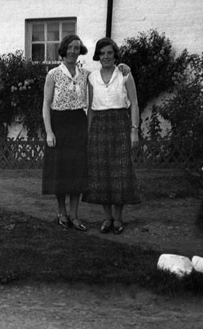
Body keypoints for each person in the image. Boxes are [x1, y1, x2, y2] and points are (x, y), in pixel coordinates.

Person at [83, 37, 142, 235]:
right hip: (99, 126)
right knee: (102, 172)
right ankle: (107, 218)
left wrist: (134, 130)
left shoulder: (125, 74)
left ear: (115, 54)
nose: (106, 56)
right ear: (98, 56)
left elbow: (134, 103)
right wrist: (89, 133)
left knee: (120, 171)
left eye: (110, 53)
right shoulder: (92, 78)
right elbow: (91, 108)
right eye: (102, 53)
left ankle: (118, 218)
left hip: (120, 124)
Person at [42, 34, 90, 231]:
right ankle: (61, 213)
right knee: (60, 171)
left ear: (80, 51)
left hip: (78, 123)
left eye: (77, 48)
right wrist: (49, 132)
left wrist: (123, 67)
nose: (73, 51)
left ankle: (75, 215)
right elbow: (45, 104)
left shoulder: (86, 74)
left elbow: (110, 72)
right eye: (70, 47)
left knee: (77, 171)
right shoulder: (52, 74)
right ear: (63, 49)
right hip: (59, 123)